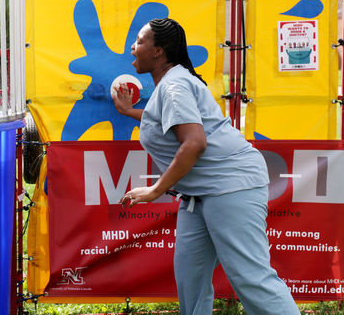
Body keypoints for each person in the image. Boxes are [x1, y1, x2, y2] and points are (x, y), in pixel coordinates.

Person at [112, 18, 299, 314]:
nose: (132, 48)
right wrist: (130, 111)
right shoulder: (172, 85)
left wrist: (156, 190)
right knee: (191, 281)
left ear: (158, 51)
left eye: (139, 41)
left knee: (252, 279)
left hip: (231, 185)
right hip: (199, 196)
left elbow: (194, 142)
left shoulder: (174, 85)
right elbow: (169, 122)